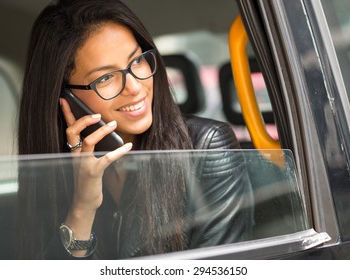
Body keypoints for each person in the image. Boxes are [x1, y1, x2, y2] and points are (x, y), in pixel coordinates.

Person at [16, 0, 253, 259]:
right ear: (66, 99)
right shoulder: (60, 167)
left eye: (137, 61)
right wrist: (82, 207)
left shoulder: (206, 146)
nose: (135, 87)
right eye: (105, 77)